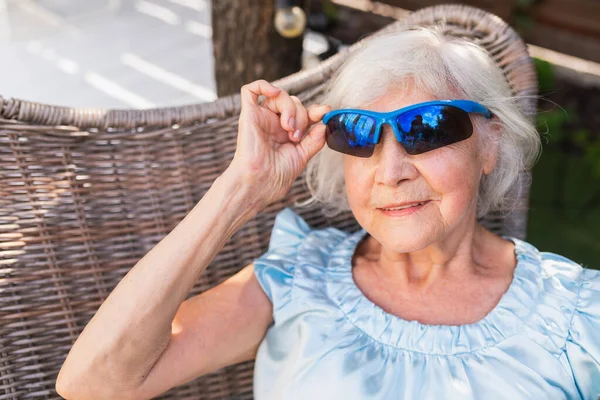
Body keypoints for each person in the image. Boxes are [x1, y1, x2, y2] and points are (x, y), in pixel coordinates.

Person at [55, 24, 600, 400]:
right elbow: (94, 383)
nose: (391, 172)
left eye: (427, 128)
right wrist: (239, 190)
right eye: (358, 134)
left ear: (489, 146)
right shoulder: (297, 280)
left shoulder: (577, 319)